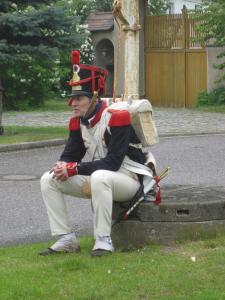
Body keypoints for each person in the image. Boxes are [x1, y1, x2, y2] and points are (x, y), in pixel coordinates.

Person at [40, 50, 155, 257]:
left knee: (100, 176)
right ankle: (65, 238)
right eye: (72, 98)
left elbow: (112, 163)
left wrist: (75, 169)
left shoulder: (116, 118)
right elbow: (71, 155)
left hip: (128, 179)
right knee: (49, 179)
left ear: (94, 97)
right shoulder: (78, 121)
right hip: (100, 179)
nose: (73, 104)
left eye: (79, 98)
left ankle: (103, 240)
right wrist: (62, 166)